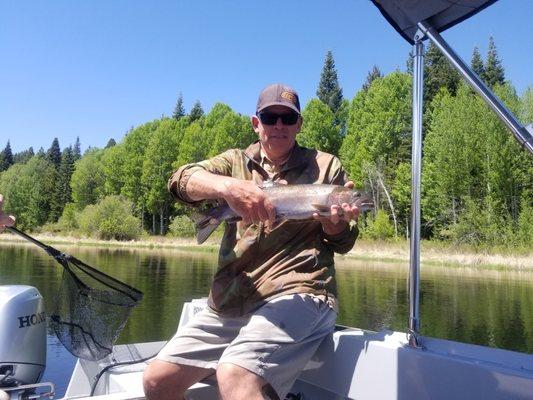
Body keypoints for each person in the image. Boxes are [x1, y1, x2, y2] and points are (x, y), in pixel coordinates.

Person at [142, 83, 360, 400]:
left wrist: (334, 224)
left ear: (299, 124)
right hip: (231, 299)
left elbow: (343, 243)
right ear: (256, 123)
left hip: (298, 292)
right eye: (271, 117)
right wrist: (228, 188)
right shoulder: (234, 162)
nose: (279, 125)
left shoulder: (325, 168)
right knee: (156, 381)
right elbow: (180, 180)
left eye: (288, 118)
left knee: (235, 374)